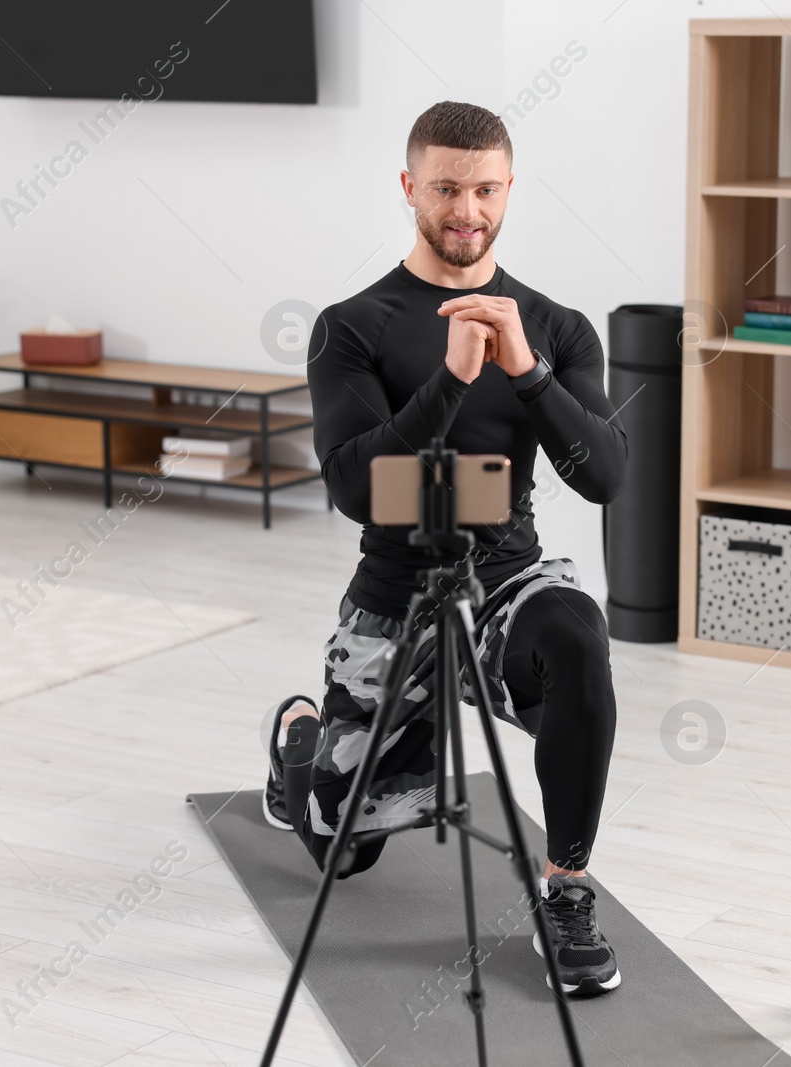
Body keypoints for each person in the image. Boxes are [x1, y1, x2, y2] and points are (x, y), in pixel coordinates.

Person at [261, 100, 629, 996]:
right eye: (447, 189)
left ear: (509, 190)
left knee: (577, 634)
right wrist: (453, 379)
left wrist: (525, 372)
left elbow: (605, 475)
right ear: (410, 188)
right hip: (393, 594)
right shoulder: (353, 325)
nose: (468, 209)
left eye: (487, 189)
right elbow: (355, 488)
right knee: (341, 856)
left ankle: (567, 891)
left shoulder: (555, 325)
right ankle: (301, 743)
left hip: (506, 579)